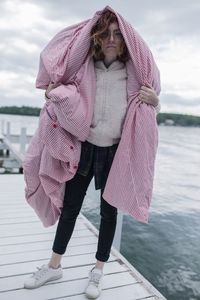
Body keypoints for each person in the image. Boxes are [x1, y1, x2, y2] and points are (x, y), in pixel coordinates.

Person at [24, 10, 160, 299]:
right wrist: (51, 93)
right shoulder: (86, 67)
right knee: (70, 209)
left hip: (115, 152)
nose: (111, 39)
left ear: (126, 41)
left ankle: (97, 272)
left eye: (117, 33)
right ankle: (53, 266)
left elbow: (146, 109)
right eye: (106, 33)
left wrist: (156, 100)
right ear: (97, 38)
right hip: (84, 147)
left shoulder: (133, 74)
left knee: (108, 212)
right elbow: (63, 90)